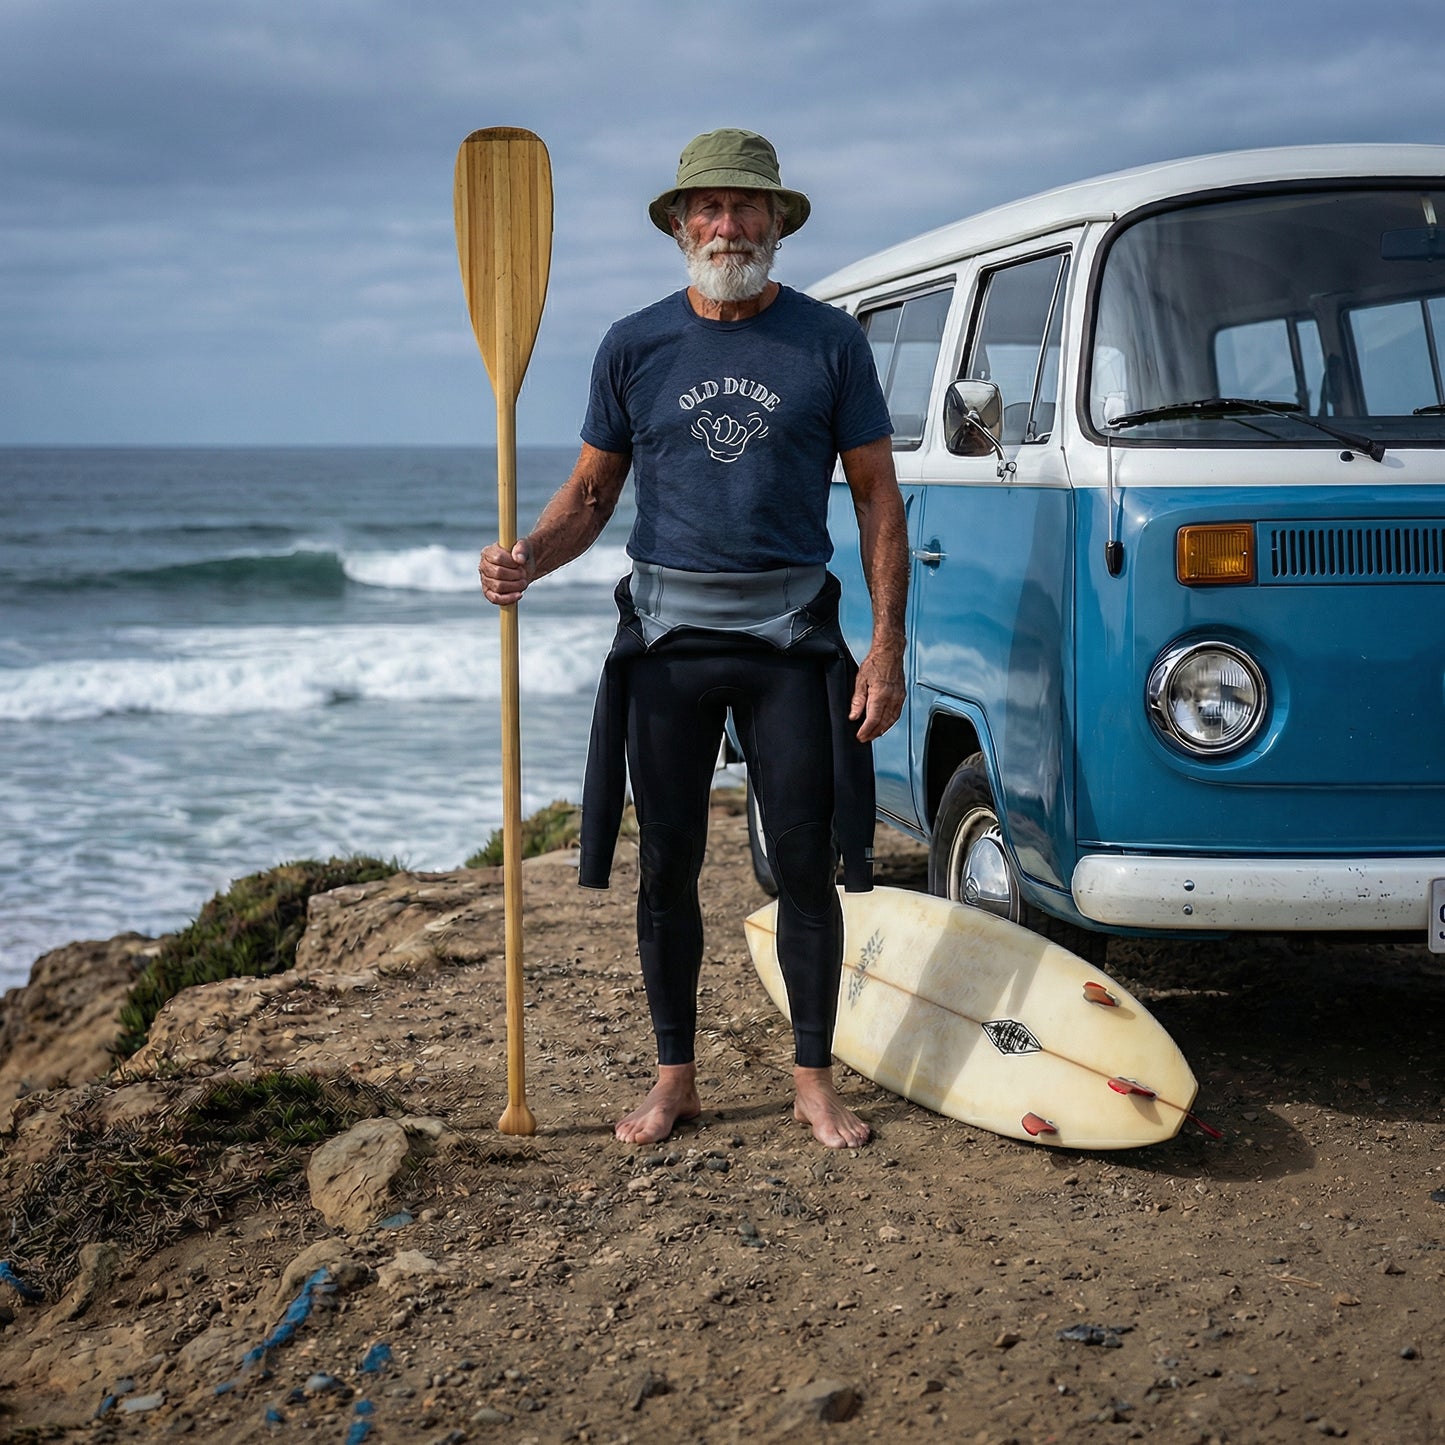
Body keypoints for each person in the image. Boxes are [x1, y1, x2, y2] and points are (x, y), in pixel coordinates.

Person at [479, 128, 908, 1149]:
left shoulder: (827, 343)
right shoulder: (634, 345)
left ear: (776, 222)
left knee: (803, 863)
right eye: (707, 208)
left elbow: (877, 499)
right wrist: (528, 557)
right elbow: (591, 493)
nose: (728, 225)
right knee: (665, 864)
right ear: (679, 227)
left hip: (791, 638)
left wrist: (885, 643)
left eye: (746, 207)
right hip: (667, 640)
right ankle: (675, 1077)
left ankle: (811, 1076)